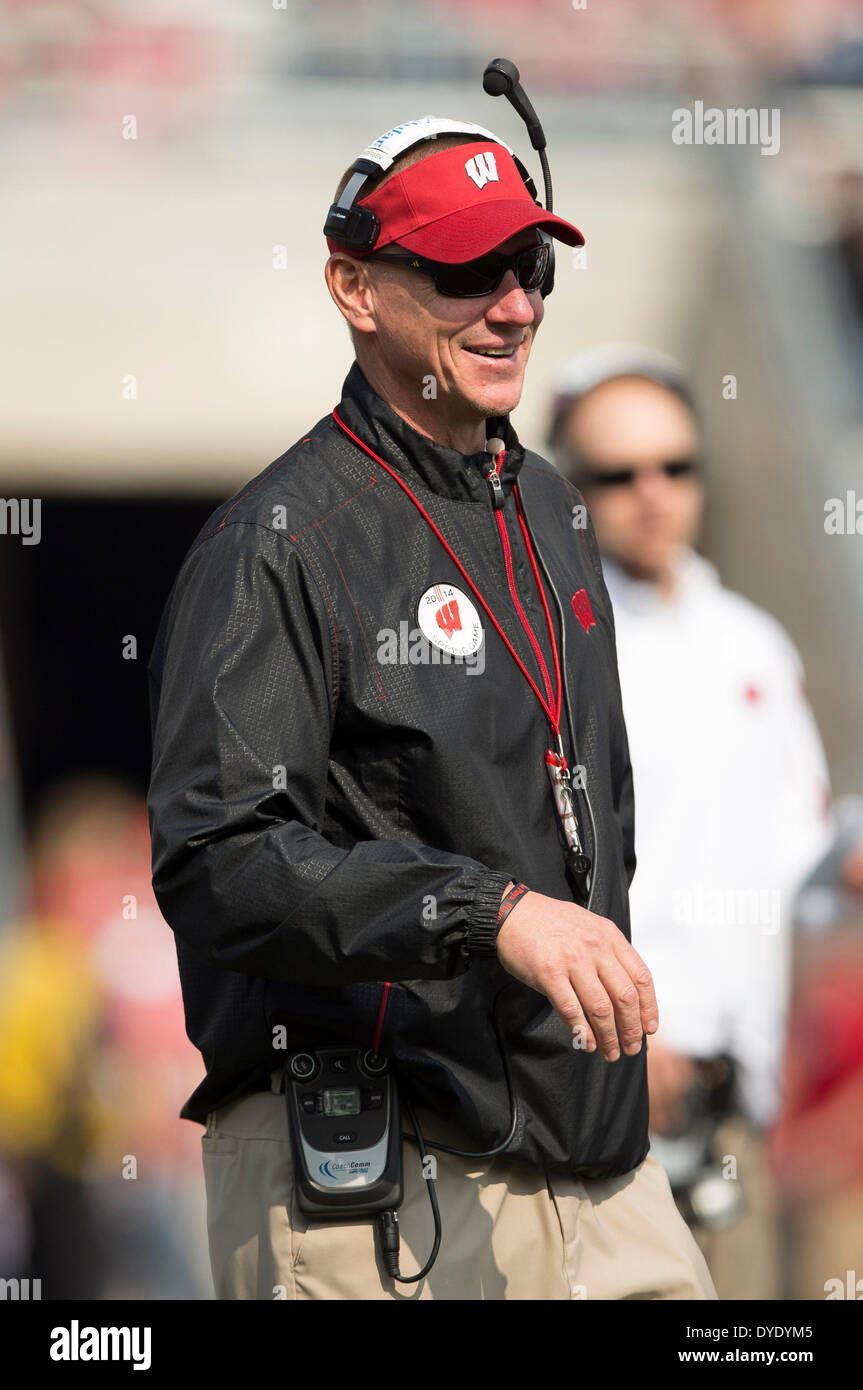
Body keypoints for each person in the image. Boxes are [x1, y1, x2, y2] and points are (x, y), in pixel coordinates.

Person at [146, 120, 715, 1300]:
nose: (512, 308)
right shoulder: (277, 542)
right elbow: (218, 857)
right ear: (354, 288)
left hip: (598, 1171)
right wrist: (483, 910)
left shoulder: (552, 506)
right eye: (466, 273)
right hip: (381, 1179)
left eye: (531, 269)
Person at [547, 344, 834, 1298]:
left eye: (676, 464)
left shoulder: (749, 639)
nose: (653, 492)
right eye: (618, 474)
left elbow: (800, 852)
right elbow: (531, 870)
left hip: (732, 1099)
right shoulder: (555, 641)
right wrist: (628, 1033)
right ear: (572, 488)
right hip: (607, 1091)